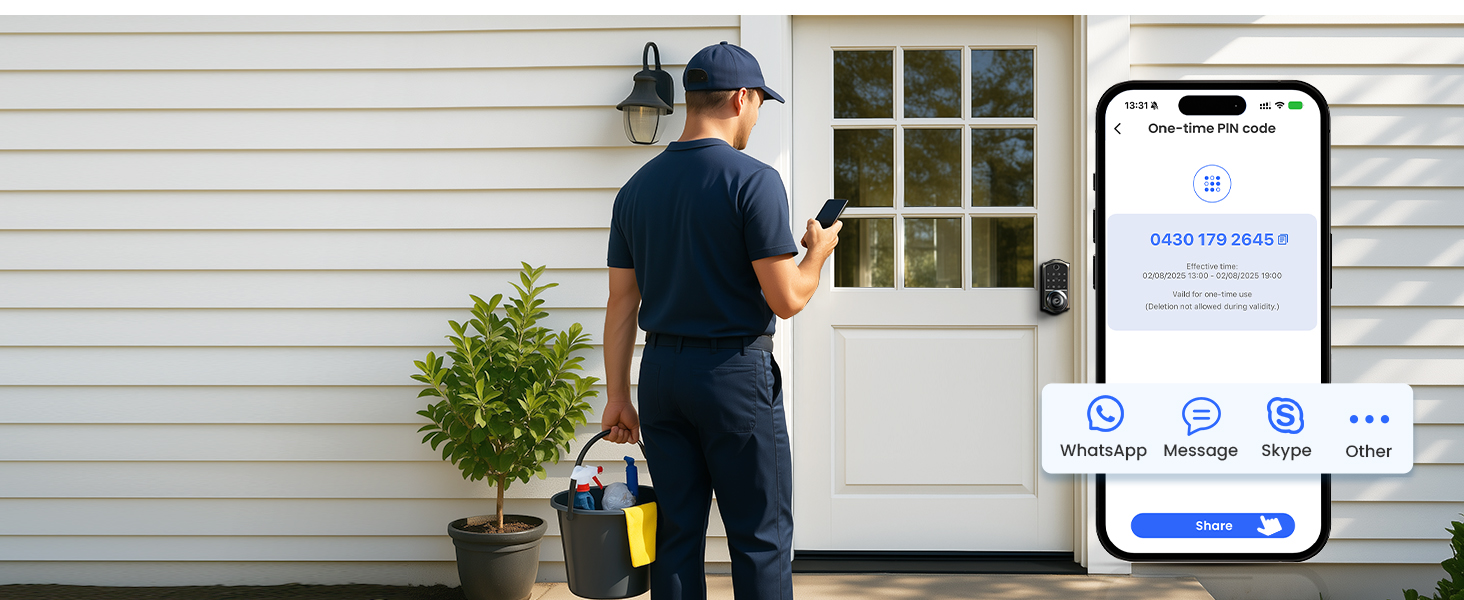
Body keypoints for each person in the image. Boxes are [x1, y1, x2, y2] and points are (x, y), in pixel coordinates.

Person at [599, 41, 841, 600]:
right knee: (760, 539)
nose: (756, 117)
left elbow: (620, 305)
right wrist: (818, 251)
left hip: (660, 377)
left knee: (677, 536)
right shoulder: (753, 181)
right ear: (740, 99)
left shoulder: (634, 191)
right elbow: (787, 299)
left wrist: (617, 396)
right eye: (759, 103)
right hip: (735, 377)